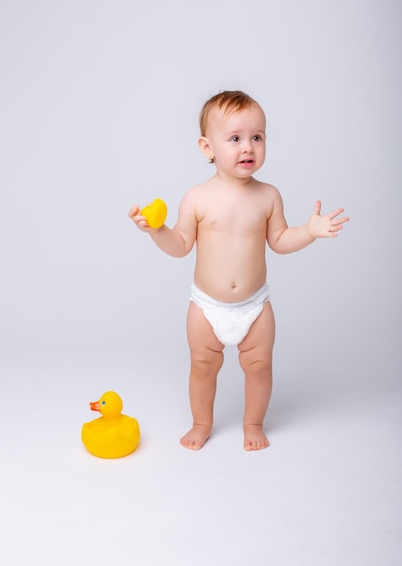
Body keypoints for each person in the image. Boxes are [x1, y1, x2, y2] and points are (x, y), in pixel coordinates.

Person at [128, 90, 349, 452]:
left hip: (255, 305)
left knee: (259, 367)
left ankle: (253, 423)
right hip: (206, 307)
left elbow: (279, 239)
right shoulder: (196, 198)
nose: (248, 147)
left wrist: (309, 231)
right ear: (207, 147)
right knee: (202, 366)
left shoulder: (268, 196)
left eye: (257, 137)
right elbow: (180, 246)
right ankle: (201, 422)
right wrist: (157, 230)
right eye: (235, 138)